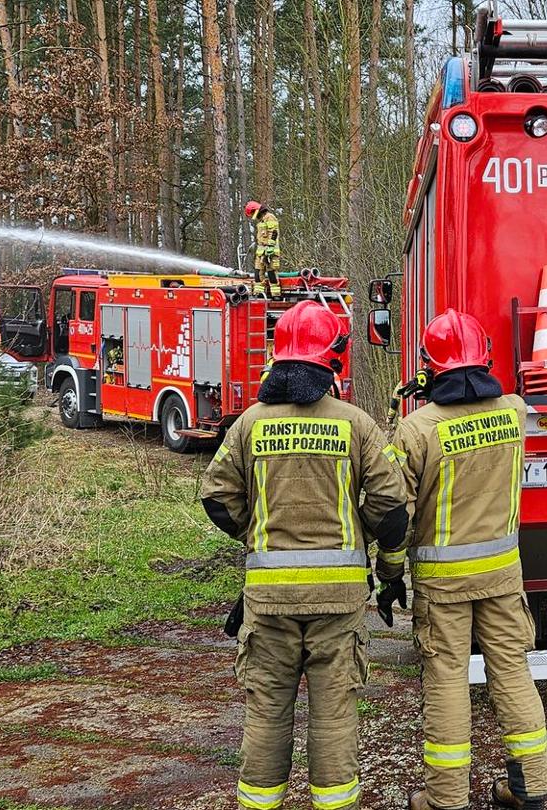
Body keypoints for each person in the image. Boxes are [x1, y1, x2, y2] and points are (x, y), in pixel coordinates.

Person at [201, 300, 409, 810]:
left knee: (268, 711)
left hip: (268, 600)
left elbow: (216, 497)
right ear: (334, 358)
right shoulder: (356, 424)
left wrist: (258, 535)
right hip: (338, 601)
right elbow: (392, 509)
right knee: (334, 711)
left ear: (278, 357)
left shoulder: (250, 424)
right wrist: (373, 556)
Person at [383, 309, 547, 810]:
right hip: (502, 575)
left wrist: (389, 572)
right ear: (485, 360)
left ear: (430, 367)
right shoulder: (514, 412)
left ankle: (446, 798)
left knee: (447, 681)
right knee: (512, 672)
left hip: (442, 584)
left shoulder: (416, 430)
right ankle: (530, 789)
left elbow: (394, 510)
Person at [244, 200, 281, 294]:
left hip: (271, 251)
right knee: (258, 274)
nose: (253, 217)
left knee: (271, 273)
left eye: (252, 214)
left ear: (256, 210)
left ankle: (275, 294)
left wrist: (270, 247)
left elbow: (274, 232)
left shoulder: (269, 217)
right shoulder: (261, 220)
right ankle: (259, 293)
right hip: (261, 252)